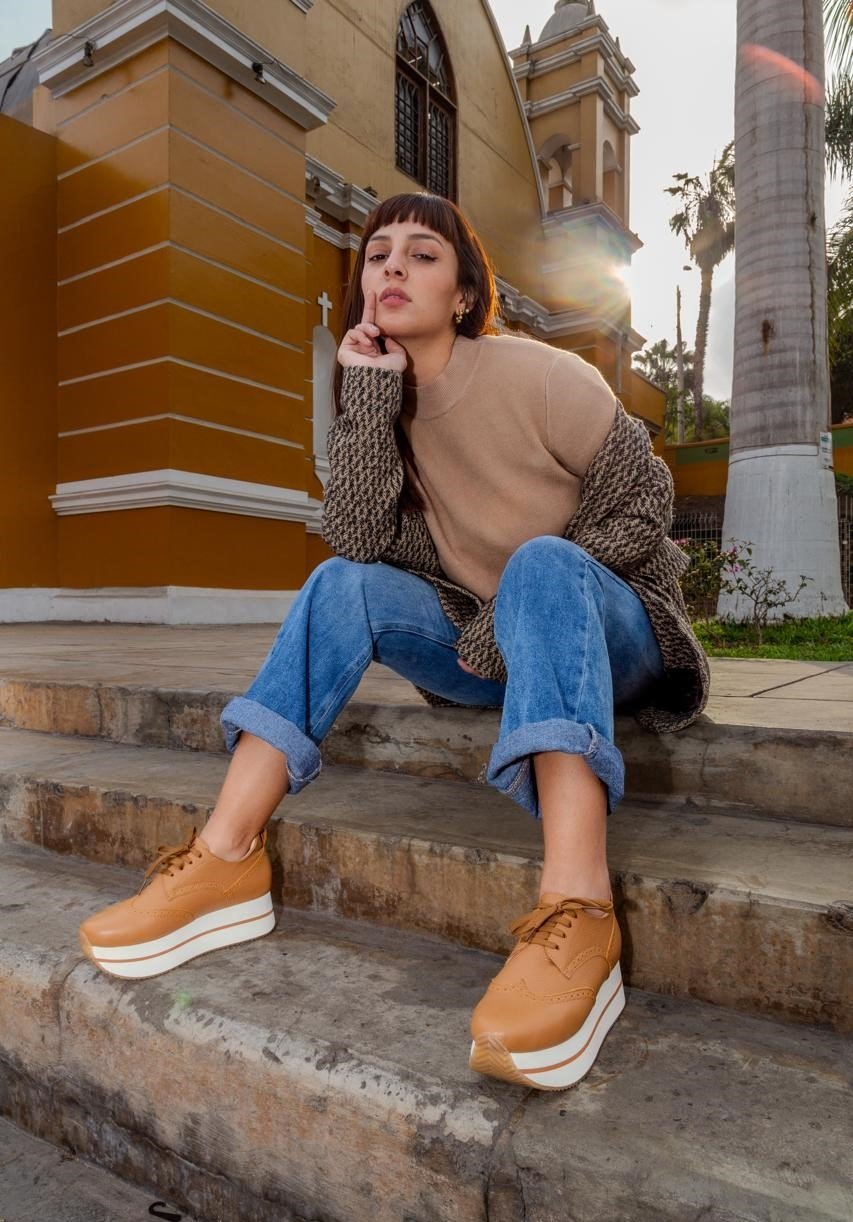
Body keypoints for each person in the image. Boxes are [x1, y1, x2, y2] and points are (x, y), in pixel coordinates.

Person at [78, 192, 710, 1092]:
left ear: (464, 294)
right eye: (377, 255)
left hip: (616, 636)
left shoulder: (540, 376)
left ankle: (580, 911)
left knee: (540, 564)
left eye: (421, 254)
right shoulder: (381, 406)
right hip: (493, 652)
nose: (393, 268)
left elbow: (644, 503)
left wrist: (512, 604)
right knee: (339, 585)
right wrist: (367, 397)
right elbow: (357, 539)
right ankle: (223, 860)